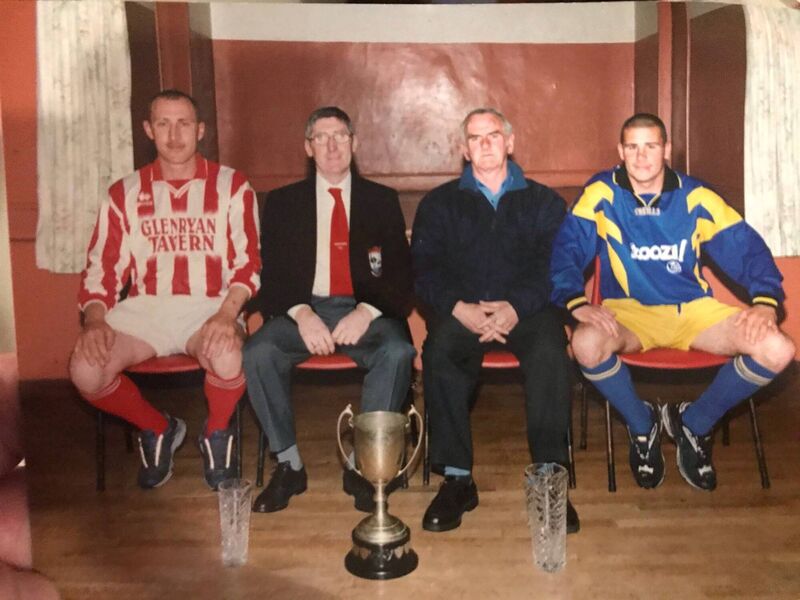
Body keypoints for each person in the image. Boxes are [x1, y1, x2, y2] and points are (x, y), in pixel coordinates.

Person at [551, 112, 795, 491]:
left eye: (651, 146)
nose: (641, 156)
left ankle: (694, 424)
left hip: (692, 311)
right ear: (620, 151)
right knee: (584, 343)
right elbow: (567, 249)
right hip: (629, 311)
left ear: (666, 149)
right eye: (632, 147)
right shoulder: (601, 193)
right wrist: (575, 301)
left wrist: (765, 302)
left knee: (777, 349)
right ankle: (642, 426)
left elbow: (746, 247)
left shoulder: (695, 195)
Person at [69, 90, 260, 491]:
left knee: (228, 357)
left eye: (184, 124)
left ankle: (216, 432)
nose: (174, 136)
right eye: (163, 124)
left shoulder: (232, 185)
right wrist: (94, 321)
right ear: (148, 130)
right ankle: (158, 427)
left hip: (209, 304)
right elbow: (102, 268)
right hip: (144, 309)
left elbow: (248, 263)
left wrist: (228, 315)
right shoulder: (123, 193)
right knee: (85, 370)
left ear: (201, 130)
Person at [411, 108, 580, 533]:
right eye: (475, 137)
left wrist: (514, 307)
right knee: (440, 352)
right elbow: (424, 269)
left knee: (550, 352)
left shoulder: (543, 201)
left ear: (510, 141)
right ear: (464, 149)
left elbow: (555, 266)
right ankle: (456, 479)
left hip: (525, 310)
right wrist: (459, 307)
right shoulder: (439, 202)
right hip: (463, 310)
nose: (485, 144)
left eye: (493, 135)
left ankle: (548, 478)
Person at [244, 106, 415, 514]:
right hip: (304, 308)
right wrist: (302, 314)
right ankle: (289, 466)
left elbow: (402, 273)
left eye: (340, 135)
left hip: (363, 310)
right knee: (258, 352)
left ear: (354, 144)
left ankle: (364, 465)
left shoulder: (381, 200)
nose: (332, 145)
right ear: (308, 147)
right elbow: (275, 276)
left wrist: (368, 311)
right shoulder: (284, 203)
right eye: (322, 137)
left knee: (398, 352)